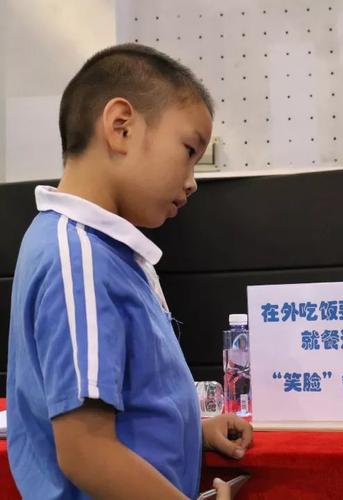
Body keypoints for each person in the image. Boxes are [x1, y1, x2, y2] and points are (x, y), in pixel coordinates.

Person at [6, 44, 251, 499]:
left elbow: (120, 403)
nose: (192, 180)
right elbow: (87, 451)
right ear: (121, 128)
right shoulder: (75, 257)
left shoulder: (103, 251)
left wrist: (191, 429)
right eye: (189, 150)